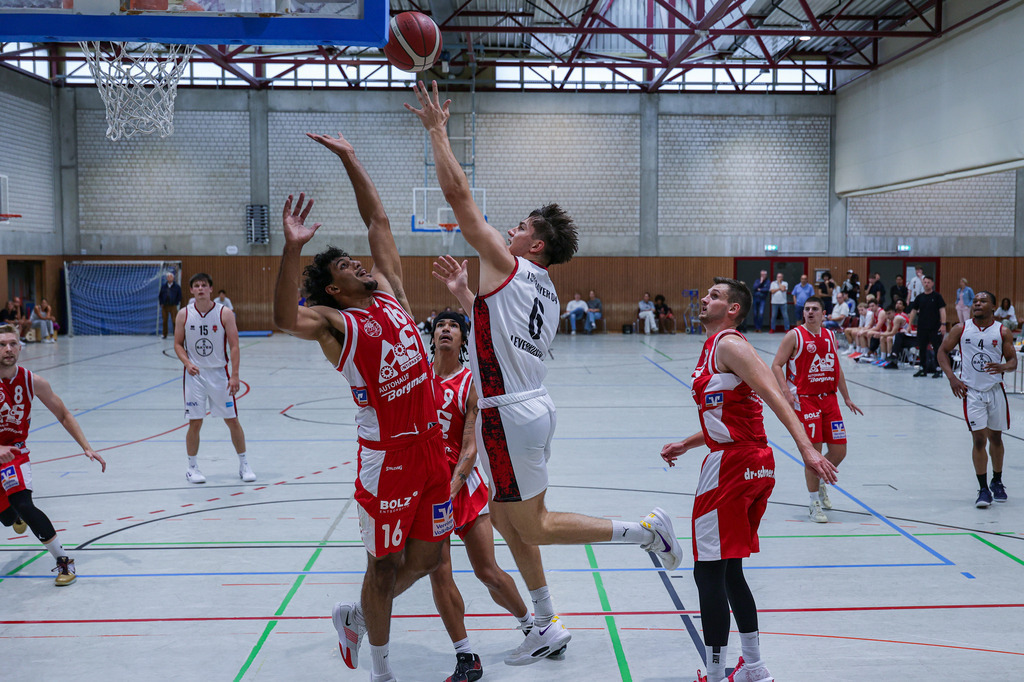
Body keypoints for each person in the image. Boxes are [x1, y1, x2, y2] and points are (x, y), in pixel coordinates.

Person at [410, 80, 682, 667]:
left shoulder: (511, 266)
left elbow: (459, 200)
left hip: (508, 416)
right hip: (520, 410)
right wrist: (467, 295)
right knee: (510, 526)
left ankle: (643, 533)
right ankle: (544, 622)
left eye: (522, 226)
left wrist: (437, 129)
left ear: (534, 245)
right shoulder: (547, 291)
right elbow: (502, 332)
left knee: (528, 526)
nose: (510, 228)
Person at [272, 132, 451, 682]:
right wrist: (293, 246)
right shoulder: (336, 326)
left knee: (424, 560)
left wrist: (353, 158)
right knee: (384, 565)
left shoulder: (391, 292)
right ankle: (382, 669)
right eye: (347, 266)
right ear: (334, 290)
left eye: (355, 260)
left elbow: (378, 223)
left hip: (432, 450)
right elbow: (284, 319)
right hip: (387, 458)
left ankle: (356, 615)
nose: (358, 263)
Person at [660, 278, 837, 682]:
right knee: (730, 570)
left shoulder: (730, 344)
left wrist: (807, 448)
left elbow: (776, 396)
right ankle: (754, 667)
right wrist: (689, 443)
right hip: (747, 460)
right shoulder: (715, 347)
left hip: (733, 467)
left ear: (733, 309)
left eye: (715, 296)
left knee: (708, 574)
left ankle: (716, 674)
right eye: (706, 294)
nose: (705, 298)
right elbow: (732, 413)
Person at [425, 309, 534, 682]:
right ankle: (466, 657)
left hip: (462, 487)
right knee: (439, 572)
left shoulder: (471, 383)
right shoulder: (419, 378)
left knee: (487, 571)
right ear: (433, 334)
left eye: (453, 325)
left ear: (462, 339)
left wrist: (449, 490)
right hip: (428, 489)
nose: (445, 329)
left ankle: (533, 628)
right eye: (440, 324)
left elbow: (470, 448)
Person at [0, 323, 107, 586]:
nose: (8, 349)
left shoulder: (32, 381)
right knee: (6, 517)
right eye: (2, 344)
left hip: (14, 453)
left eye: (13, 343)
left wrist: (86, 446)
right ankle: (14, 515)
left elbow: (63, 413)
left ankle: (63, 562)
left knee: (24, 503)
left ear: (20, 347)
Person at [772, 297, 862, 523]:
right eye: (807, 309)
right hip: (806, 400)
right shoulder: (794, 335)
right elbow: (776, 364)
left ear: (824, 314)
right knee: (814, 453)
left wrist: (847, 397)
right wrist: (786, 391)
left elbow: (836, 367)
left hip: (829, 400)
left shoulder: (830, 336)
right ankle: (813, 502)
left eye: (815, 309)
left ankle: (820, 482)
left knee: (840, 451)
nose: (810, 312)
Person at [937, 291, 1016, 508]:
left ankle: (997, 481)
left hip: (995, 390)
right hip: (971, 392)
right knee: (979, 439)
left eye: (983, 301)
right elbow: (942, 352)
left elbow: (1013, 362)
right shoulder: (961, 329)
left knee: (996, 438)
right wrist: (952, 378)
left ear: (993, 306)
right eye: (975, 301)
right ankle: (983, 489)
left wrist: (1003, 367)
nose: (977, 304)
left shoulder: (1003, 331)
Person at [174, 273, 253, 484]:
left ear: (210, 289)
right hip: (195, 376)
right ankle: (192, 468)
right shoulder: (183, 314)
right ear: (191, 290)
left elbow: (235, 345)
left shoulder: (224, 313)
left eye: (204, 285)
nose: (200, 289)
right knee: (195, 422)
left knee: (232, 420)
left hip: (219, 374)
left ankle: (244, 464)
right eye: (196, 286)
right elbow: (177, 344)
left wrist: (235, 375)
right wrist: (187, 362)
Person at [907, 275, 946, 378]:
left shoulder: (937, 296)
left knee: (937, 348)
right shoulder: (919, 297)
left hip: (934, 327)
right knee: (922, 348)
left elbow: (942, 310)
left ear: (932, 284)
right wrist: (910, 325)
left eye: (928, 282)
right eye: (925, 282)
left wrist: (943, 324)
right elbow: (914, 311)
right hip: (922, 327)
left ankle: (939, 369)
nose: (926, 284)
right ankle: (922, 369)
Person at [159, 272, 182, 339]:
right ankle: (164, 334)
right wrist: (161, 303)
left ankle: (176, 334)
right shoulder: (163, 286)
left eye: (171, 277)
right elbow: (160, 295)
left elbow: (179, 296)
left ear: (173, 278)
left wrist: (176, 302)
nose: (169, 278)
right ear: (166, 278)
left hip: (173, 306)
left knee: (174, 320)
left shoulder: (177, 287)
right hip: (165, 306)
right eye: (168, 277)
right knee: (164, 320)